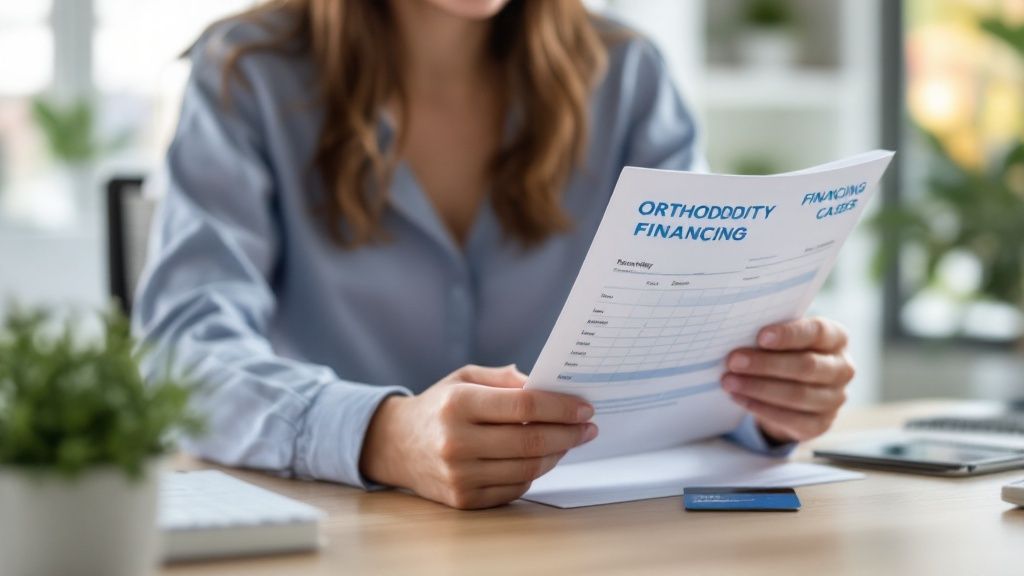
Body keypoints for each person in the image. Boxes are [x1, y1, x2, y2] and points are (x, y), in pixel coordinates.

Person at [135, 0, 855, 510]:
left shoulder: (628, 75)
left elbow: (697, 327)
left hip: (584, 541)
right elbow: (180, 355)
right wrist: (383, 435)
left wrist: (769, 398)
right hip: (344, 539)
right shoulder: (244, 73)